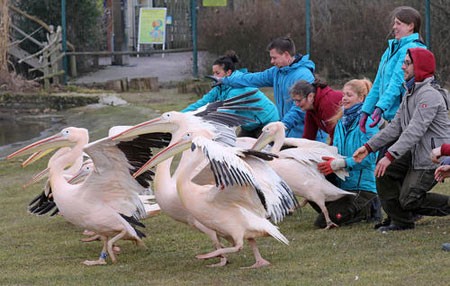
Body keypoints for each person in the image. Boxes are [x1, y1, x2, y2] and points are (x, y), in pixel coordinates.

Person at [353, 48, 450, 232]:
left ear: (419, 66)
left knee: (409, 199)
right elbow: (395, 126)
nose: (403, 67)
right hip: (415, 153)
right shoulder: (410, 92)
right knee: (384, 172)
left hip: (431, 159)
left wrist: (389, 155)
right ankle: (401, 222)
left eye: (407, 63)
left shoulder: (429, 95)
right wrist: (369, 147)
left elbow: (414, 131)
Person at [219, 36, 326, 141]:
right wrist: (225, 80)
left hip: (307, 137)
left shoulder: (303, 76)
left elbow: (300, 109)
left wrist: (282, 125)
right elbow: (253, 78)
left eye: (274, 57)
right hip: (288, 133)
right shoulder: (277, 71)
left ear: (286, 55)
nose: (271, 61)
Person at [313, 78, 381, 227]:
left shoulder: (368, 122)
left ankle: (369, 208)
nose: (344, 98)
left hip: (362, 189)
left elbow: (369, 158)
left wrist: (340, 164)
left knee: (322, 222)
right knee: (311, 189)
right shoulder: (341, 123)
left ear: (361, 98)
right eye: (343, 94)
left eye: (349, 95)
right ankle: (343, 209)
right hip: (343, 187)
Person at [359, 6, 426, 133]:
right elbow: (378, 83)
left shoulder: (413, 48)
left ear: (410, 26)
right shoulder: (390, 50)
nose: (394, 27)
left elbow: (397, 82)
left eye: (398, 23)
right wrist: (366, 110)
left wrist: (380, 107)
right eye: (394, 23)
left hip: (407, 119)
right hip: (392, 119)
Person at [181, 51, 279, 138]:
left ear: (228, 72)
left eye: (217, 73)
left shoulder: (238, 89)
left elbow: (226, 113)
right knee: (241, 152)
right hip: (250, 125)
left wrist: (202, 121)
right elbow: (202, 103)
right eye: (213, 73)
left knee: (267, 152)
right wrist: (179, 116)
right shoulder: (219, 87)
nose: (214, 76)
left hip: (267, 122)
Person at [289, 78, 343, 144]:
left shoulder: (327, 104)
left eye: (299, 101)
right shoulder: (311, 108)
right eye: (295, 101)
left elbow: (336, 136)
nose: (296, 104)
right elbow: (308, 137)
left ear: (310, 96)